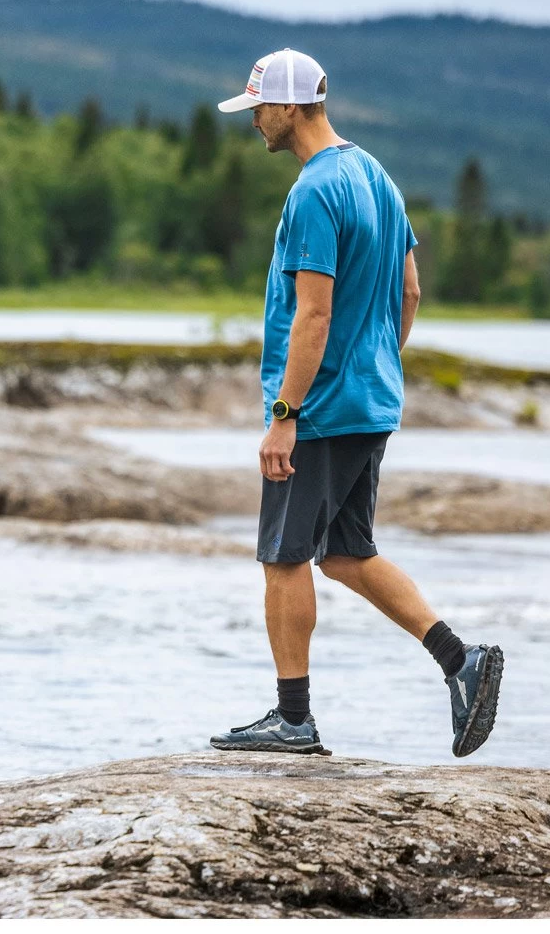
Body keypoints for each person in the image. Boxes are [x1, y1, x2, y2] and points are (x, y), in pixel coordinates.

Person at [209, 49, 503, 758]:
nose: (254, 123)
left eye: (257, 110)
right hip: (370, 401)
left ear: (288, 107)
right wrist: (376, 365)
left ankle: (293, 720)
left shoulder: (313, 192)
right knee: (346, 555)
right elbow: (410, 292)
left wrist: (286, 415)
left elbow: (313, 316)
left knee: (283, 559)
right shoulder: (375, 175)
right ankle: (461, 662)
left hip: (319, 410)